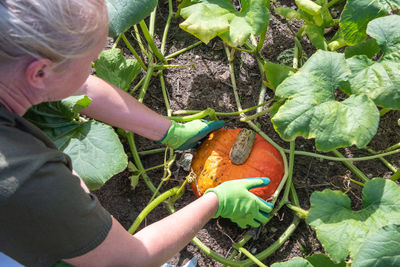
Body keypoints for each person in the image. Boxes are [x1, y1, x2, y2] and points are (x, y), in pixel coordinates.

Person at [0, 0, 274, 266]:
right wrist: (216, 201)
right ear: (39, 73)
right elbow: (127, 259)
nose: (92, 70)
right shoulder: (25, 177)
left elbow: (81, 88)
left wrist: (169, 130)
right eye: (90, 62)